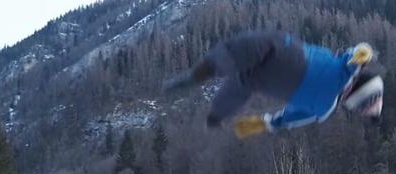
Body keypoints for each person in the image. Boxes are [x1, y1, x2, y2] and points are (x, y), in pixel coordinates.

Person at [163, 31, 383, 138]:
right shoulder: (324, 110)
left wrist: (363, 55)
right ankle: (216, 115)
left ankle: (204, 71)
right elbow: (287, 119)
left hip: (292, 57)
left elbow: (357, 54)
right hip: (275, 84)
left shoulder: (345, 71)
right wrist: (262, 124)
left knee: (258, 45)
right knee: (246, 82)